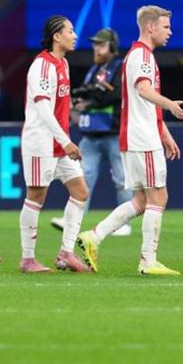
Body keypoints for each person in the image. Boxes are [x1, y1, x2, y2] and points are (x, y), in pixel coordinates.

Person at [78, 6, 183, 276]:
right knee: (158, 196)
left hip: (140, 135)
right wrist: (170, 105)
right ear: (150, 27)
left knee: (141, 200)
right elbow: (144, 90)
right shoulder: (142, 55)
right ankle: (148, 261)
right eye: (165, 26)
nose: (170, 32)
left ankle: (94, 236)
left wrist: (165, 132)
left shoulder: (139, 55)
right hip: (141, 137)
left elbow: (143, 102)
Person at [17, 15, 91, 273]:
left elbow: (59, 106)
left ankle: (66, 253)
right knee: (36, 195)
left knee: (81, 192)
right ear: (56, 36)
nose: (75, 35)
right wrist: (67, 141)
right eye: (70, 31)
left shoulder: (64, 64)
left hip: (59, 144)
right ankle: (27, 259)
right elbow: (43, 109)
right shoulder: (42, 66)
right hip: (41, 142)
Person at [50, 28, 131, 235]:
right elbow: (90, 92)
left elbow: (118, 95)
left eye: (101, 44)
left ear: (112, 47)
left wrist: (92, 98)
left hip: (113, 130)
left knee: (122, 179)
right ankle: (73, 221)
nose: (96, 48)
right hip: (92, 132)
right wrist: (83, 99)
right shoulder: (94, 70)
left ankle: (123, 224)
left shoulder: (120, 67)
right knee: (83, 176)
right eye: (95, 44)